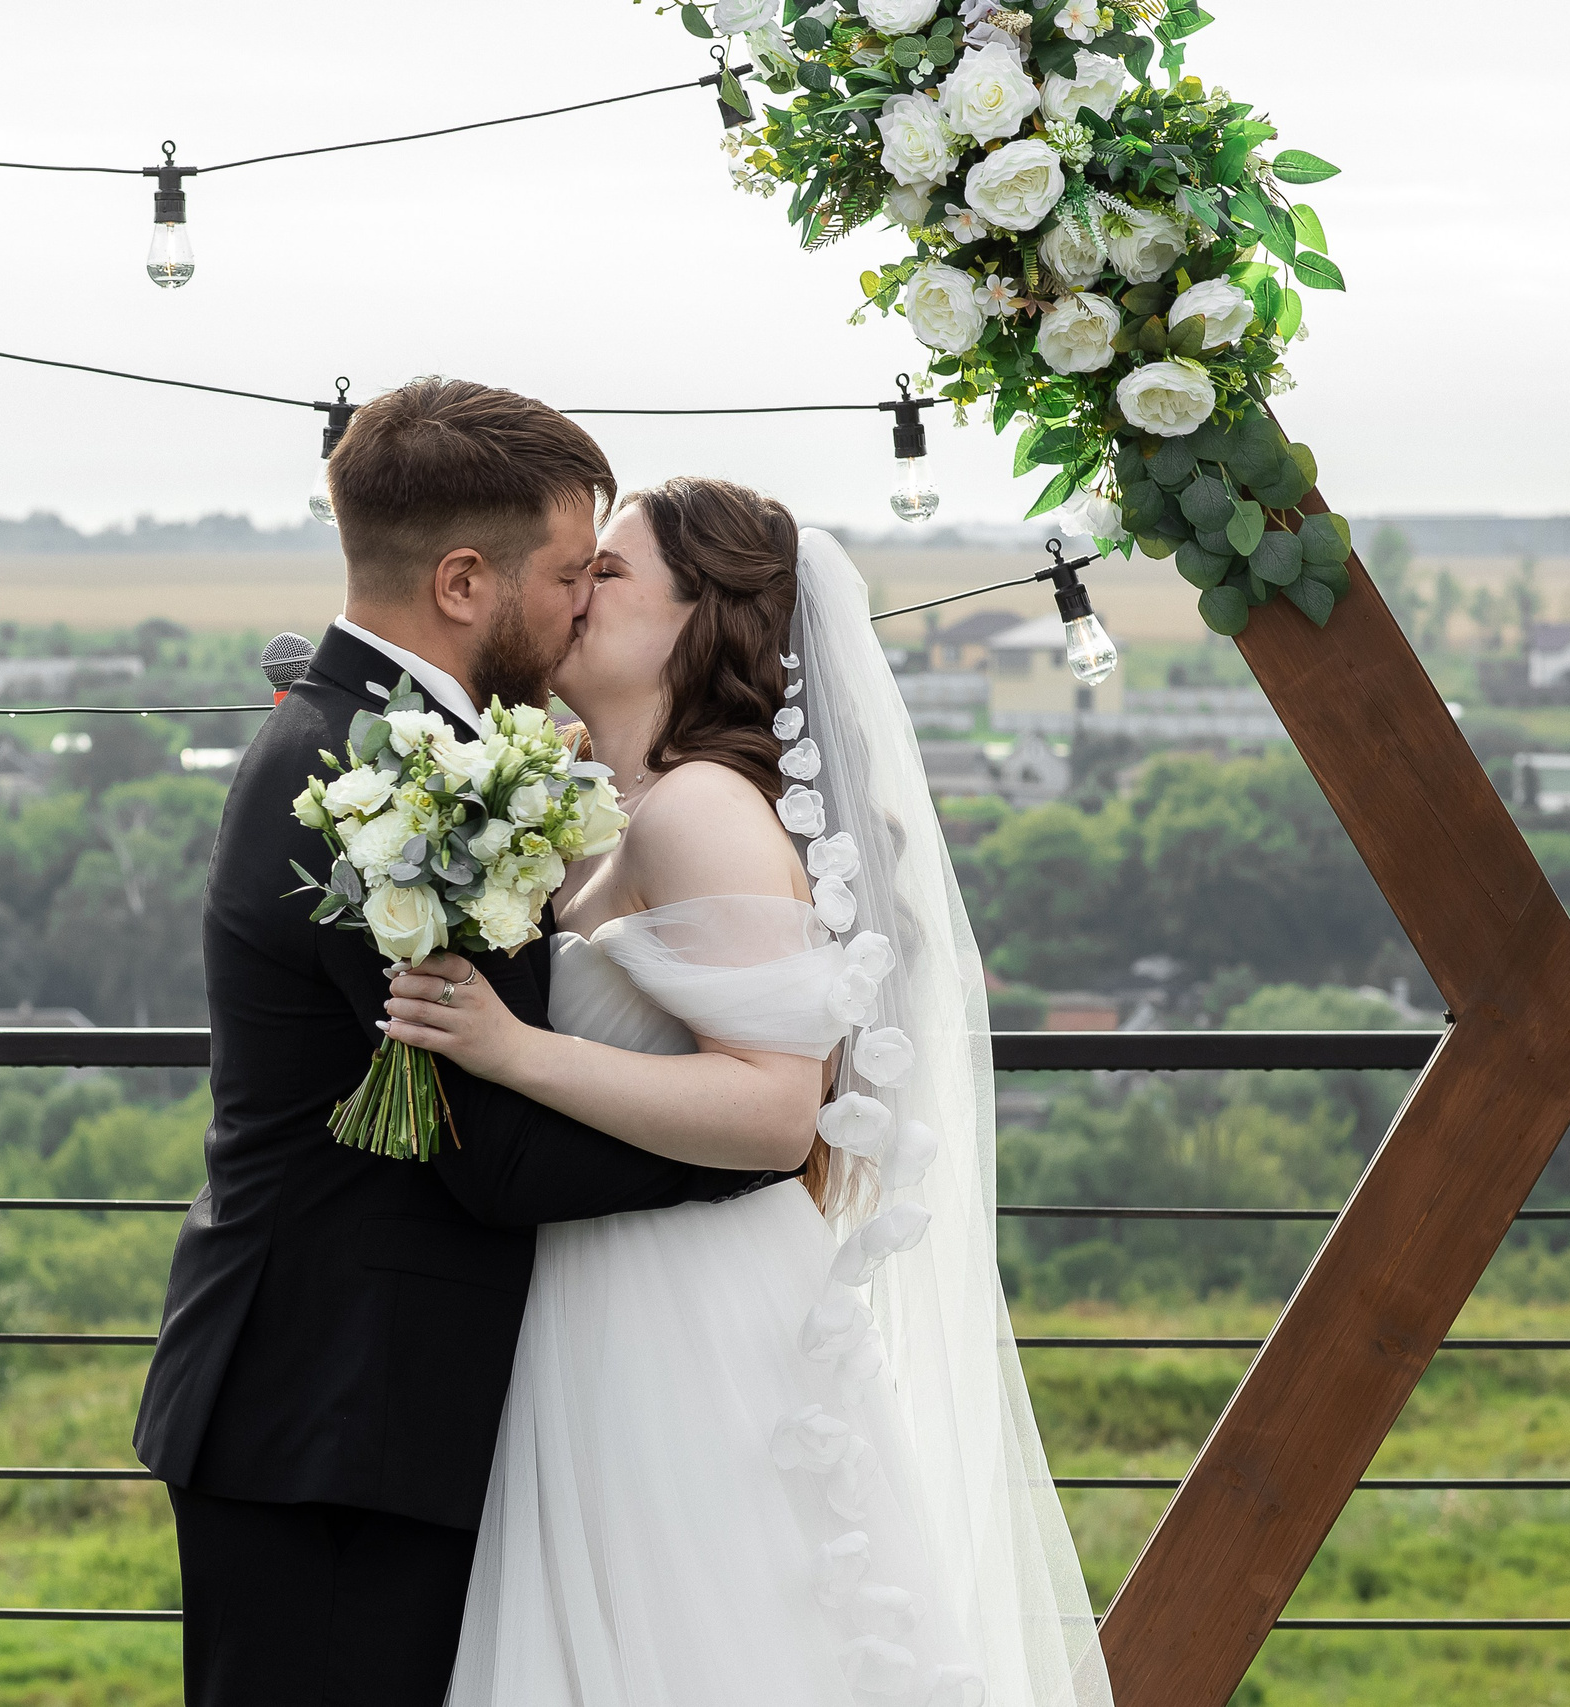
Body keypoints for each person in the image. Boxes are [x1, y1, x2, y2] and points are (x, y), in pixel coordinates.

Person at [382, 478, 1113, 1706]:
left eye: (607, 574)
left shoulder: (701, 812)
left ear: (700, 618)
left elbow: (777, 1111)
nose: (573, 594)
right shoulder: (628, 809)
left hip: (682, 1310)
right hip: (618, 1285)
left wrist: (510, 1050)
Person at [134, 381, 784, 1707]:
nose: (581, 606)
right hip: (336, 1414)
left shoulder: (363, 742)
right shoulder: (389, 788)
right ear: (464, 579)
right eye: (565, 574)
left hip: (344, 1402)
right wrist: (771, 1138)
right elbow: (489, 1156)